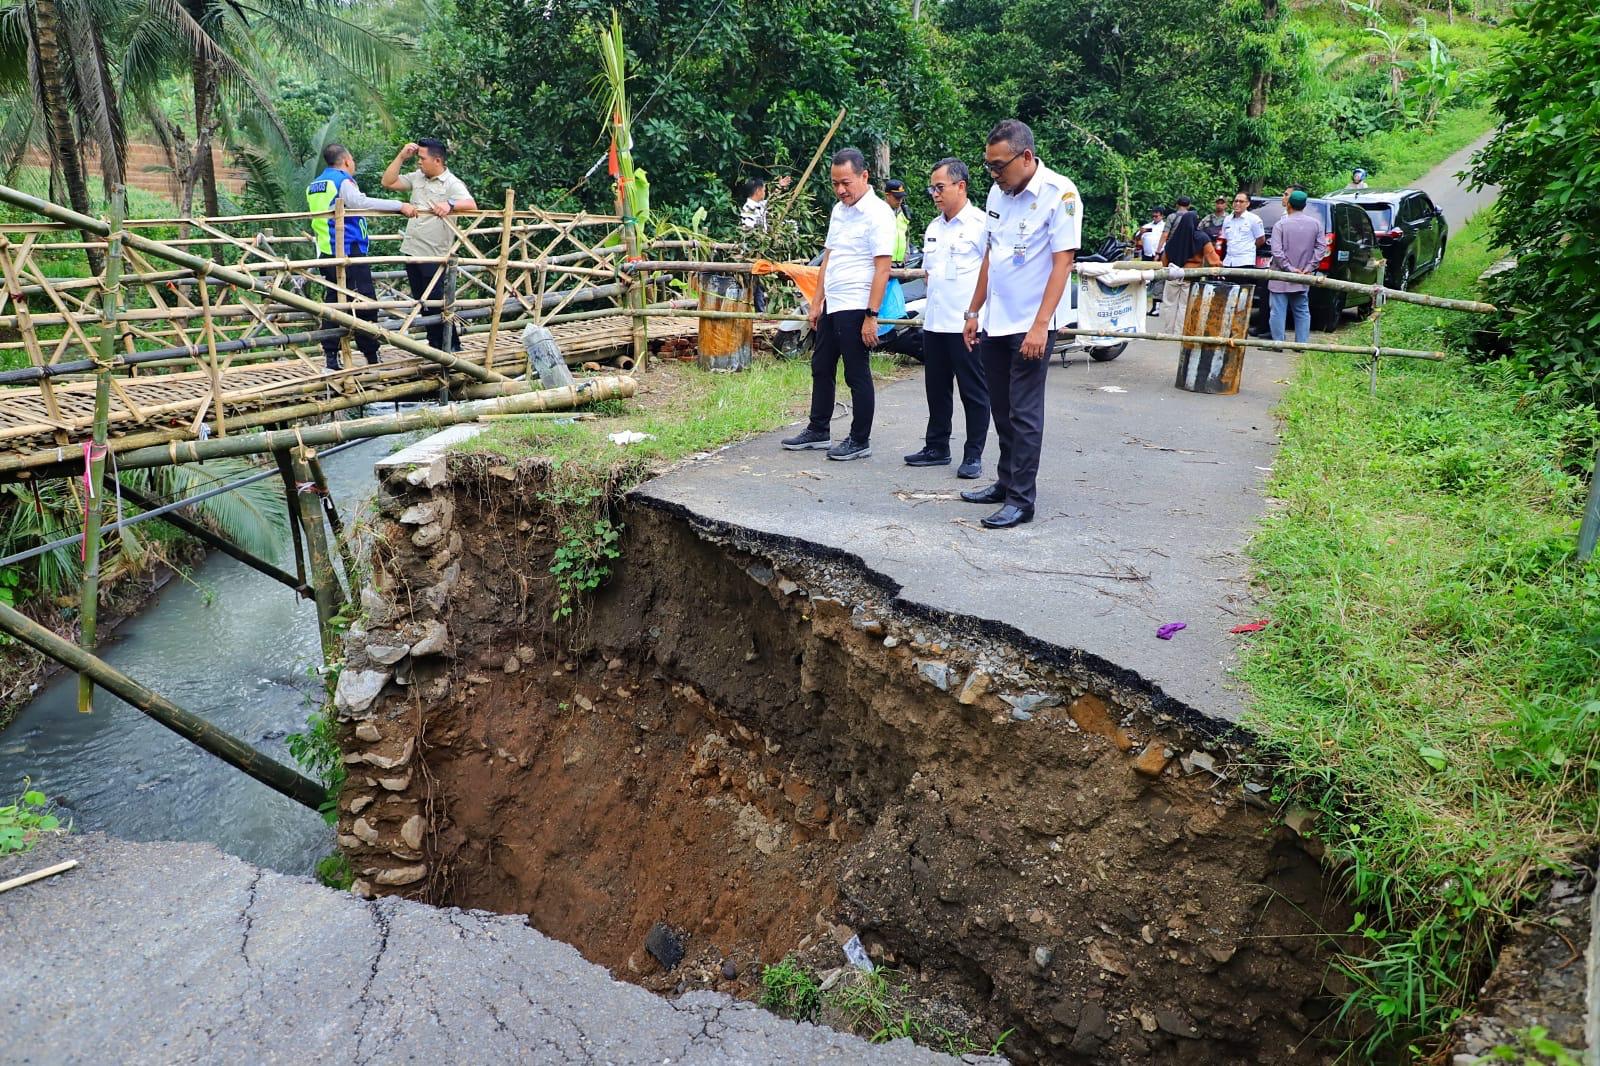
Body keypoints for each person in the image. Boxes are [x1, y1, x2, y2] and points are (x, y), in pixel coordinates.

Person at [958, 119, 1080, 530]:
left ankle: (1021, 500)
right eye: (989, 165)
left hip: (1031, 325)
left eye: (999, 165)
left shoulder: (1059, 193)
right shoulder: (998, 192)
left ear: (1026, 157)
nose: (994, 174)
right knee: (1002, 407)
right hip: (996, 321)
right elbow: (991, 256)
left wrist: (1041, 325)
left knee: (1024, 412)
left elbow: (1063, 263)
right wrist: (974, 311)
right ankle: (1006, 481)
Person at [780, 148, 895, 461]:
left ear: (864, 176)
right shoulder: (838, 211)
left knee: (856, 373)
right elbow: (828, 258)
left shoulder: (879, 213)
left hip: (857, 304)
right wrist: (816, 301)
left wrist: (871, 315)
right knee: (821, 366)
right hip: (833, 302)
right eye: (835, 184)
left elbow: (882, 269)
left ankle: (860, 439)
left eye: (846, 182)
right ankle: (818, 429)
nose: (841, 190)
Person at [904, 158, 989, 479]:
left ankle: (973, 454)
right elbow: (929, 273)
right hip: (936, 322)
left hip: (967, 324)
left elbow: (991, 274)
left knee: (973, 391)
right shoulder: (934, 227)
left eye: (940, 188)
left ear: (961, 186)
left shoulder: (980, 225)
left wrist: (976, 314)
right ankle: (936, 446)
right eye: (932, 189)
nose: (935, 194)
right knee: (936, 388)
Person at [306, 143, 416, 370]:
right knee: (364, 302)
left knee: (334, 303)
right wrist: (399, 205)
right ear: (347, 161)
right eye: (353, 160)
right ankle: (371, 355)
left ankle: (331, 356)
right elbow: (360, 202)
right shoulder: (342, 181)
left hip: (326, 251)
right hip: (348, 251)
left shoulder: (315, 185)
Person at [382, 138, 476, 353]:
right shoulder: (418, 177)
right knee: (422, 302)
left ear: (437, 160)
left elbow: (471, 204)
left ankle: (451, 347)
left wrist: (450, 204)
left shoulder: (451, 183)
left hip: (434, 254)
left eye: (422, 158)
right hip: (412, 250)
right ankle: (435, 346)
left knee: (437, 302)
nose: (419, 162)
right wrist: (401, 157)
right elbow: (388, 182)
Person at [1268, 188, 1327, 343]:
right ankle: (1301, 344)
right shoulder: (1316, 224)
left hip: (1281, 276)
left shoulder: (1281, 225)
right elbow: (1321, 248)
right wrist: (1309, 267)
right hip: (1303, 275)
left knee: (1277, 311)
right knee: (1302, 311)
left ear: (1289, 204)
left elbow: (1277, 251)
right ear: (1304, 205)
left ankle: (1278, 343)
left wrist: (1289, 268)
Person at [1220, 192, 1265, 269]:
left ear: (1247, 204)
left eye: (1241, 201)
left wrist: (1249, 247)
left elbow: (1261, 239)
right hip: (1228, 261)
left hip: (1245, 262)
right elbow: (1225, 239)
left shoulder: (1254, 219)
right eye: (1236, 201)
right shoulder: (1227, 220)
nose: (1237, 203)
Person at [1139, 206, 1168, 315]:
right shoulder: (1147, 226)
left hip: (1160, 255)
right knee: (1144, 279)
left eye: (1157, 216)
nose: (1154, 217)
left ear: (1162, 216)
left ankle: (1156, 308)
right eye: (1153, 215)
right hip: (1147, 256)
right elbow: (1136, 239)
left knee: (1158, 280)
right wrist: (1141, 233)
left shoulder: (1165, 227)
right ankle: (1141, 305)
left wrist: (1159, 253)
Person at [884, 178, 912, 266]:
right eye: (896, 197)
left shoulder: (904, 212)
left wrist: (906, 254)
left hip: (901, 263)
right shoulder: (879, 212)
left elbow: (907, 234)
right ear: (887, 195)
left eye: (901, 197)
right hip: (884, 263)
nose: (899, 200)